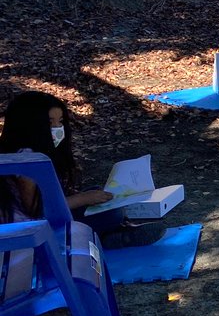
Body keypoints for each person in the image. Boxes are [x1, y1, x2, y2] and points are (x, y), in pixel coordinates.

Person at [0, 90, 164, 248]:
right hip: (33, 230)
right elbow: (36, 211)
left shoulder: (30, 152)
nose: (58, 128)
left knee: (100, 198)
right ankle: (113, 236)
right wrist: (83, 199)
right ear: (29, 125)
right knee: (111, 213)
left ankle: (113, 236)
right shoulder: (27, 158)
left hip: (43, 222)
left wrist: (87, 197)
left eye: (61, 121)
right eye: (50, 123)